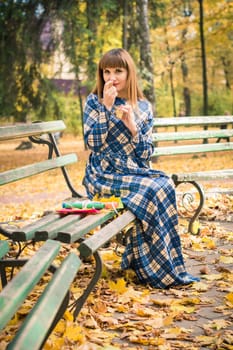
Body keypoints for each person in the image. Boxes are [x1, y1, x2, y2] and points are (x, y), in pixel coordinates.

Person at [82, 48, 199, 288]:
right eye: (106, 71)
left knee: (164, 184)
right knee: (150, 190)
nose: (111, 77)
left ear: (129, 73)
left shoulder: (143, 107)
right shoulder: (94, 101)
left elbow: (146, 154)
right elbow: (92, 143)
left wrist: (134, 128)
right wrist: (106, 107)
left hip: (132, 169)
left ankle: (165, 266)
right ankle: (149, 267)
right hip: (103, 173)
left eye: (118, 71)